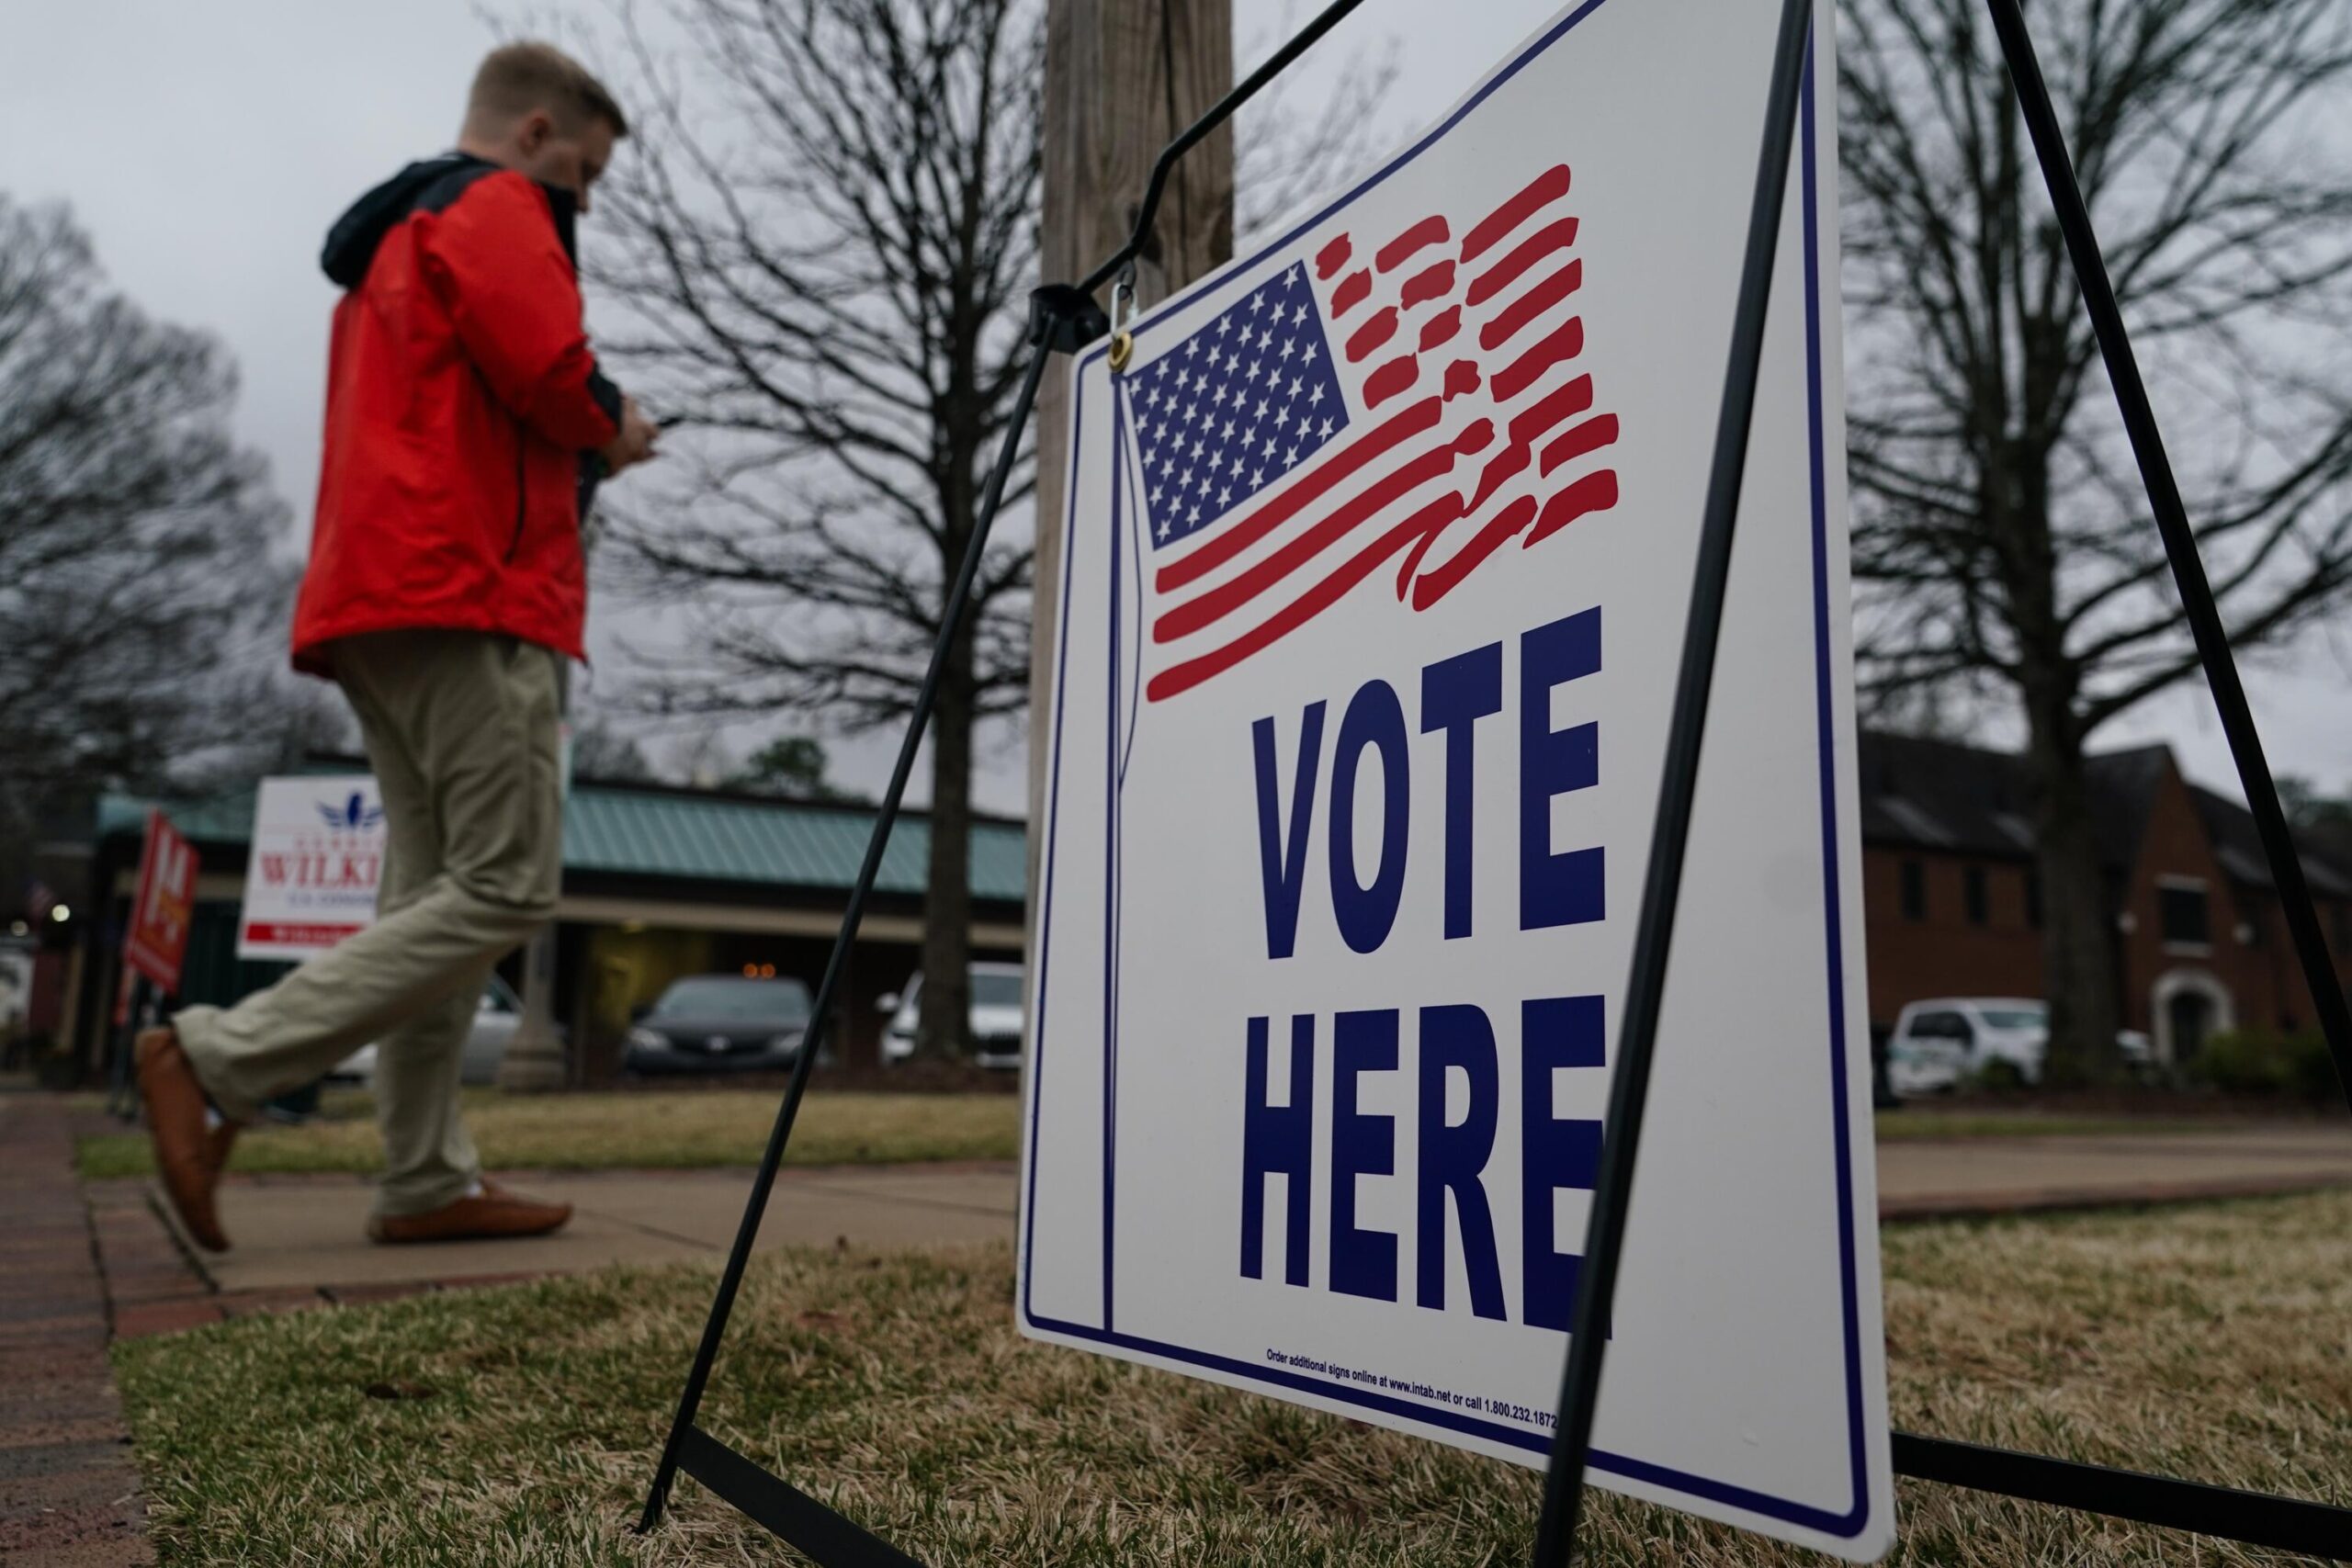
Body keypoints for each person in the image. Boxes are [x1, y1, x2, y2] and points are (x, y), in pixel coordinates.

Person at [134, 41, 661, 1252]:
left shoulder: (398, 234)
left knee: (434, 893)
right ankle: (213, 1055)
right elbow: (548, 368)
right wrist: (611, 432)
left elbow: (478, 392)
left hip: (383, 591)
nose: (581, 202)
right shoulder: (496, 205)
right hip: (465, 590)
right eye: (582, 174)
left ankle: (424, 1176)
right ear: (536, 135)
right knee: (508, 884)